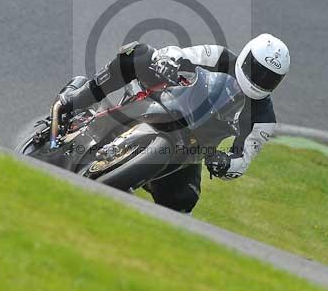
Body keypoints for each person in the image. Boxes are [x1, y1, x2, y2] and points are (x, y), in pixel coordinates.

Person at [58, 33, 290, 213]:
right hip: (169, 103)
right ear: (246, 56)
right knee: (138, 53)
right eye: (257, 70)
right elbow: (181, 53)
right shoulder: (220, 56)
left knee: (184, 203)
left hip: (189, 150)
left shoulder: (264, 120)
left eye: (269, 78)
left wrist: (226, 163)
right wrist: (167, 60)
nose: (259, 80)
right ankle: (76, 100)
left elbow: (244, 158)